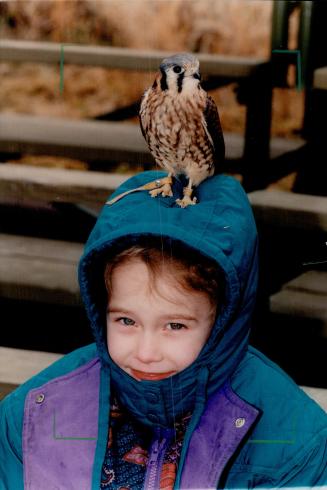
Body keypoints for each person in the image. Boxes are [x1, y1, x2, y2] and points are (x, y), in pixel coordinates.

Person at [0, 171, 326, 489]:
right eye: (126, 321)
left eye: (174, 325)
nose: (145, 353)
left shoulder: (294, 440)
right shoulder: (32, 415)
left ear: (224, 320)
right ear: (101, 308)